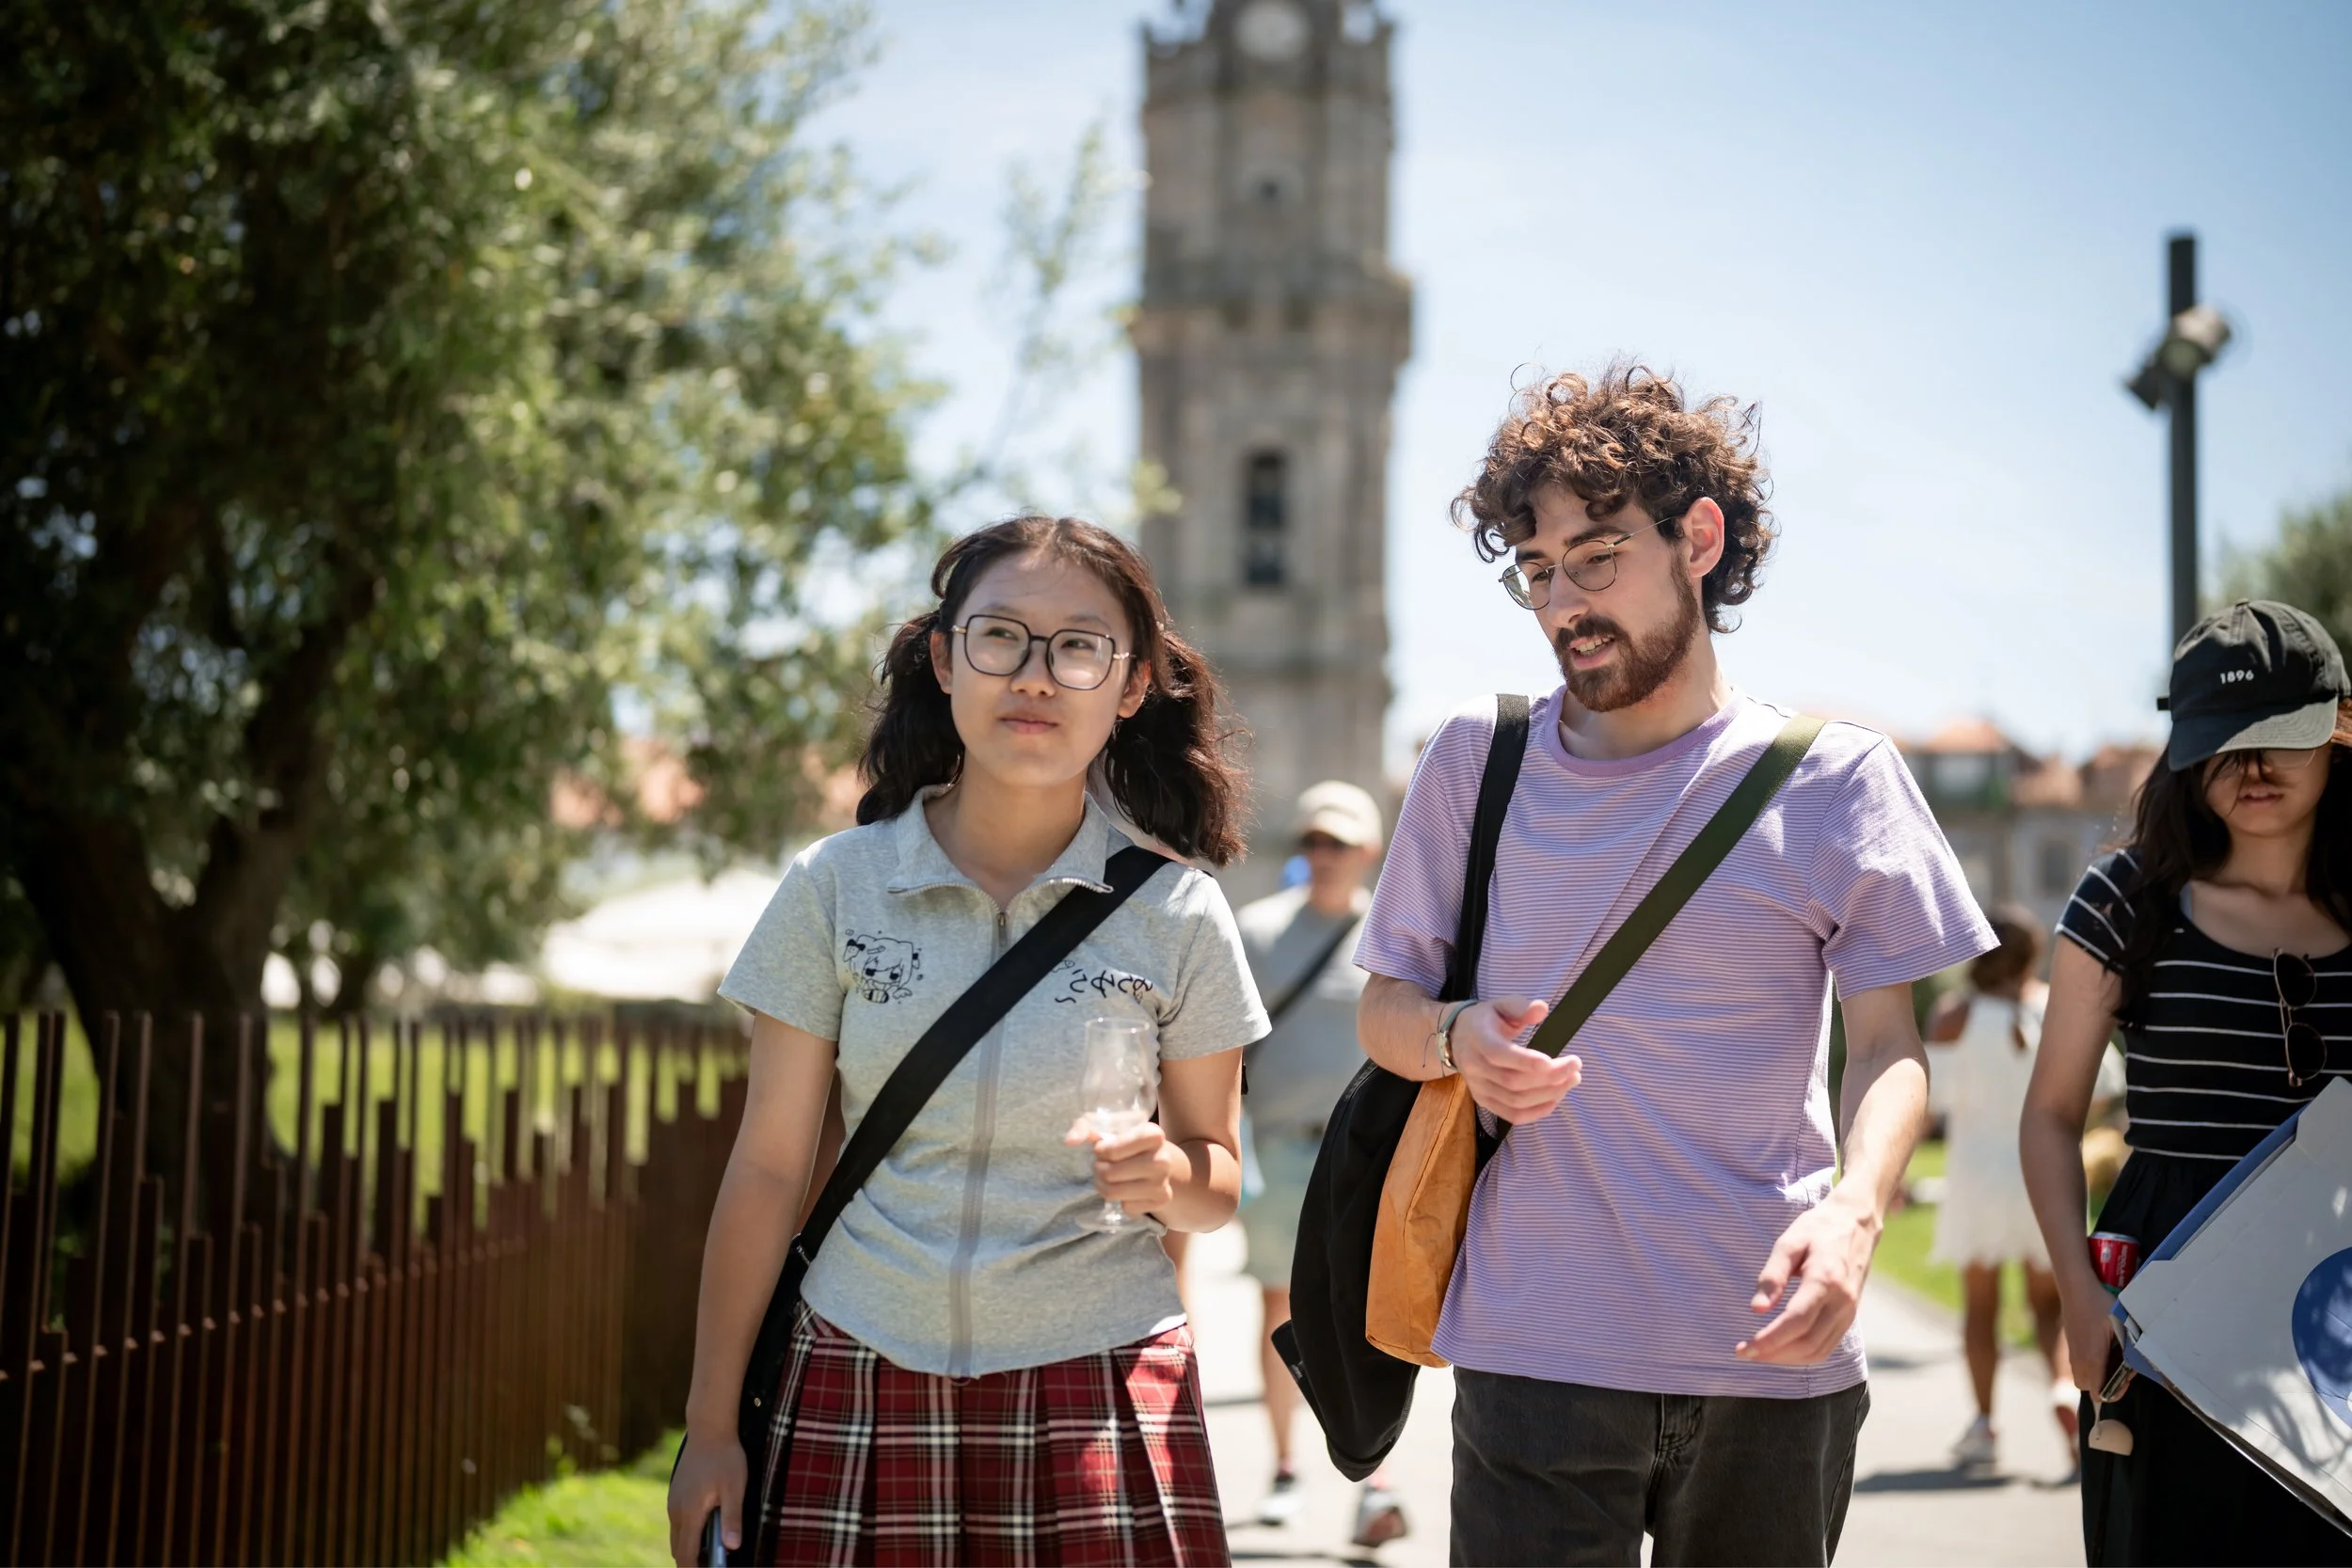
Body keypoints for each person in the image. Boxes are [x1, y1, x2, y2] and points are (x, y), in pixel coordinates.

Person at [1354, 365, 1996, 1566]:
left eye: (1595, 557)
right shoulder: (1469, 760)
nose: (1561, 604)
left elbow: (1892, 1048)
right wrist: (1456, 1040)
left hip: (1773, 1353)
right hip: (1533, 1349)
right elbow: (1384, 1008)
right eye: (1535, 569)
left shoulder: (1839, 779)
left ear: (1697, 537)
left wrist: (1857, 1214)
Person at [666, 515, 1270, 1567]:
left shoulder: (1178, 914)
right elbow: (767, 1169)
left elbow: (1217, 1179)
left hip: (1102, 1381)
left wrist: (1164, 1170)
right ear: (944, 659)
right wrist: (711, 1427)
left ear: (1130, 686)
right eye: (1000, 637)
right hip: (859, 1365)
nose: (1035, 676)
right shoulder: (833, 887)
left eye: (1079, 646)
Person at [2021, 598, 2352, 1566]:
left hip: (2335, 1293)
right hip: (2164, 1302)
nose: (2250, 770)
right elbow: (2047, 1116)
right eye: (2222, 744)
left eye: (2279, 740)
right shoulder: (2128, 897)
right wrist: (2079, 1299)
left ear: (2337, 731)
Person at [1233, 781, 1408, 1547]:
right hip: (1280, 1147)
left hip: (1370, 1162)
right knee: (1284, 1310)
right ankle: (1284, 1468)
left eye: (1339, 842)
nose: (1324, 855)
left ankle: (1374, 1480)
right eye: (1313, 840)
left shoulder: (1398, 932)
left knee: (1375, 1321)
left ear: (1370, 850)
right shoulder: (1256, 931)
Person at [1921, 906, 2076, 1471]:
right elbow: (2100, 1087)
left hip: (1976, 1177)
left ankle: (1985, 1428)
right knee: (2050, 1308)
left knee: (1981, 1309)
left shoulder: (1952, 1016)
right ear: (2032, 956)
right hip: (2042, 1174)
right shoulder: (2050, 1006)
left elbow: (1926, 1103)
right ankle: (2064, 1389)